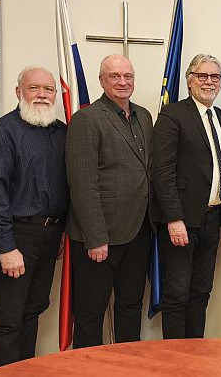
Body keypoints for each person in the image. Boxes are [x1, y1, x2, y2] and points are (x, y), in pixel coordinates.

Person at [0, 67, 68, 367]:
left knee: (32, 310)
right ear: (19, 92)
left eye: (48, 89)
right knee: (8, 317)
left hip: (50, 235)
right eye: (34, 88)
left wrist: (61, 231)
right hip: (15, 235)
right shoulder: (2, 132)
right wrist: (6, 247)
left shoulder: (61, 132)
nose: (42, 95)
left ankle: (25, 370)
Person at [66, 54, 154, 347]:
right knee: (91, 313)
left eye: (128, 76)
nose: (122, 82)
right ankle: (88, 365)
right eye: (114, 76)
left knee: (130, 306)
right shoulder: (87, 119)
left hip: (138, 231)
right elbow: (82, 184)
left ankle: (128, 364)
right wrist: (95, 238)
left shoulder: (144, 116)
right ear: (101, 81)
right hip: (100, 236)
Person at [153, 53, 221, 339]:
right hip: (182, 221)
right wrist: (174, 219)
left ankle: (195, 352)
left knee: (201, 291)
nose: (209, 82)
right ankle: (175, 357)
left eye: (215, 76)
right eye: (202, 76)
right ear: (190, 81)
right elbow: (162, 171)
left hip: (212, 219)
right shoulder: (173, 115)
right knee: (177, 293)